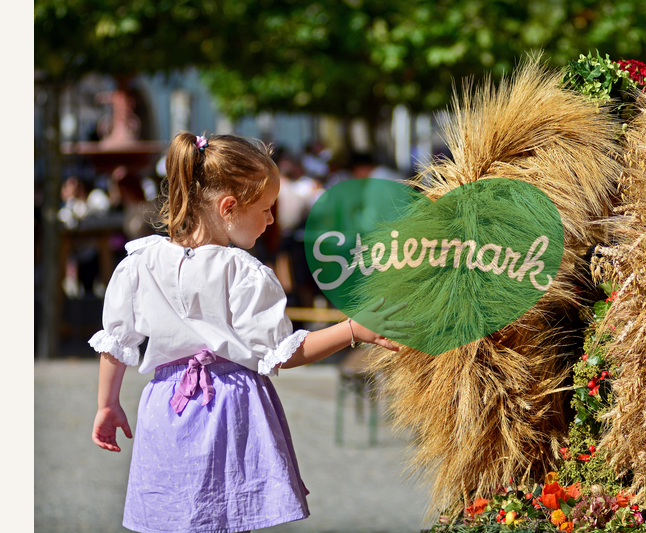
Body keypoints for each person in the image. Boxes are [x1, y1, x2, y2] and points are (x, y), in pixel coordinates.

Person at [89, 131, 412, 533]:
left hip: (166, 407)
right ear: (229, 207)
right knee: (229, 517)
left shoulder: (139, 262)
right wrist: (352, 329)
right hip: (229, 407)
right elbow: (283, 352)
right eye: (265, 208)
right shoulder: (244, 273)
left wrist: (108, 403)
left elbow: (116, 343)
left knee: (175, 517)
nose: (271, 220)